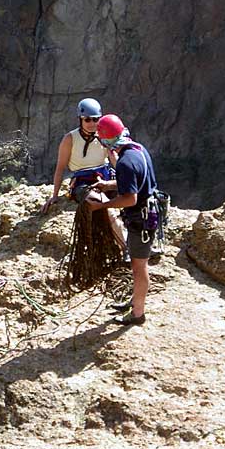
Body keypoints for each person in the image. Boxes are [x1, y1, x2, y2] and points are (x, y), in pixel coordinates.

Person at [87, 114, 158, 325]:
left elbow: (129, 198)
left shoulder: (125, 161)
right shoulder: (137, 149)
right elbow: (133, 182)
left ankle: (138, 314)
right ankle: (135, 301)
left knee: (139, 266)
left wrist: (102, 206)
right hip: (146, 214)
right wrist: (108, 185)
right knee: (138, 264)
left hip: (141, 220)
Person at [41, 98, 113, 212]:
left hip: (105, 177)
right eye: (87, 120)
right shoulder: (70, 139)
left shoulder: (104, 135)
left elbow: (115, 161)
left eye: (95, 119)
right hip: (83, 182)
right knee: (97, 200)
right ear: (80, 119)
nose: (92, 123)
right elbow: (60, 168)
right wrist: (55, 195)